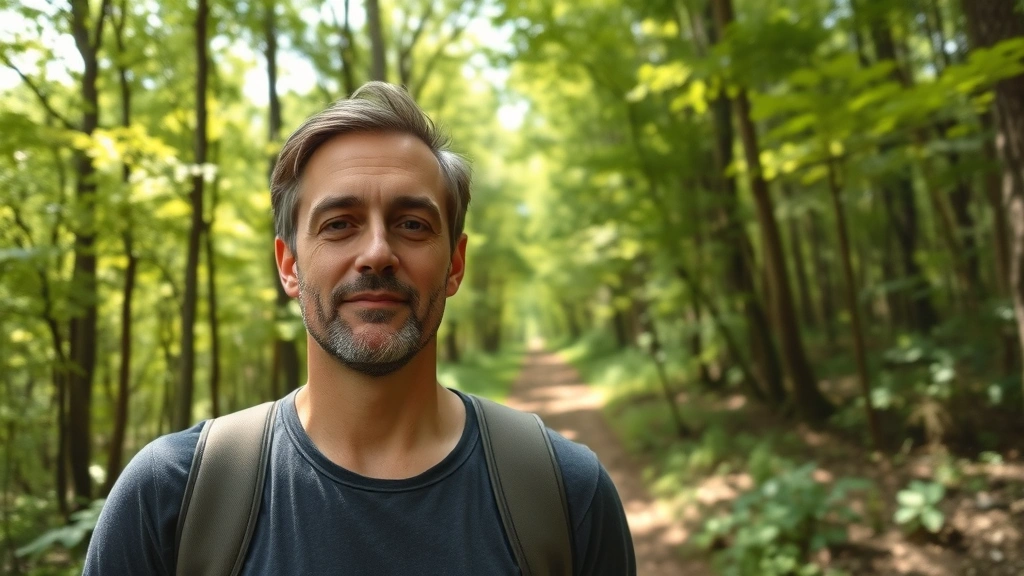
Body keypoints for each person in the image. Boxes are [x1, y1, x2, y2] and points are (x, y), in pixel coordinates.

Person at [84, 82, 636, 575]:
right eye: (339, 224)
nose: (376, 253)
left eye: (412, 225)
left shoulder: (565, 494)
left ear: (456, 264)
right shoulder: (171, 497)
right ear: (289, 265)